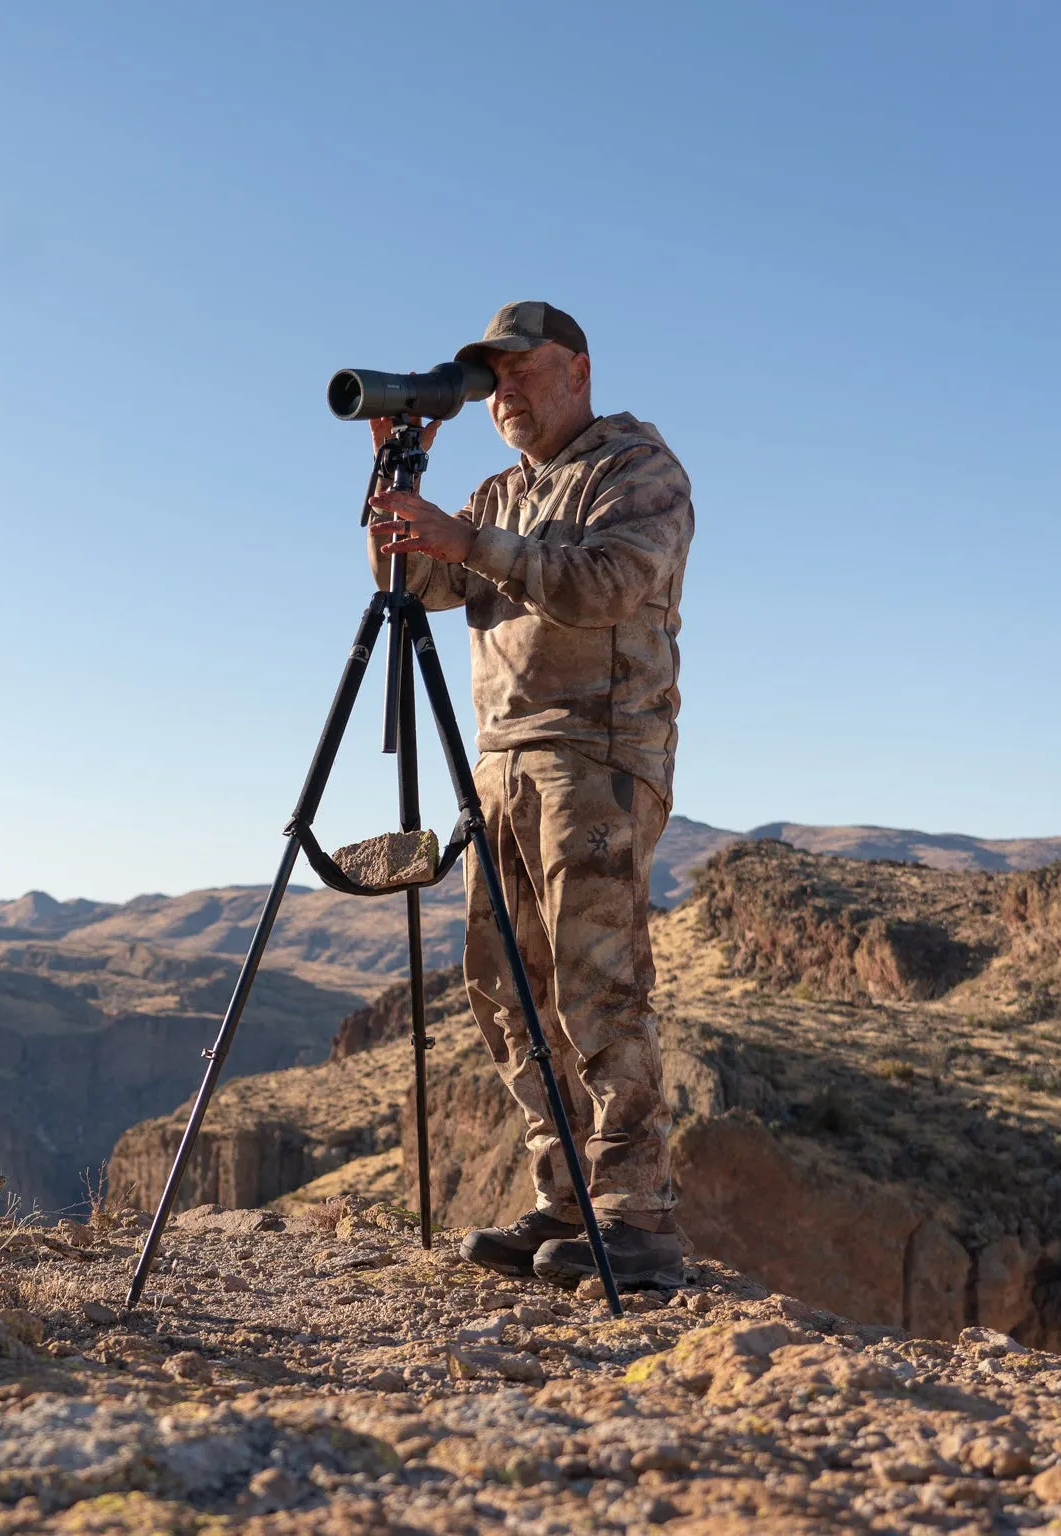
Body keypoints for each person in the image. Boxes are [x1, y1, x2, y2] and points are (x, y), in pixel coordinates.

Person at [364, 301, 693, 1291]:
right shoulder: (497, 491)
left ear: (577, 370)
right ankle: (561, 1200)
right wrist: (392, 478)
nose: (501, 392)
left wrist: (467, 543)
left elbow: (601, 585)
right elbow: (411, 583)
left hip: (594, 749)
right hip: (500, 757)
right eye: (489, 377)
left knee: (598, 986)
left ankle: (636, 1217)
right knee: (507, 991)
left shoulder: (635, 473)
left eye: (520, 370)